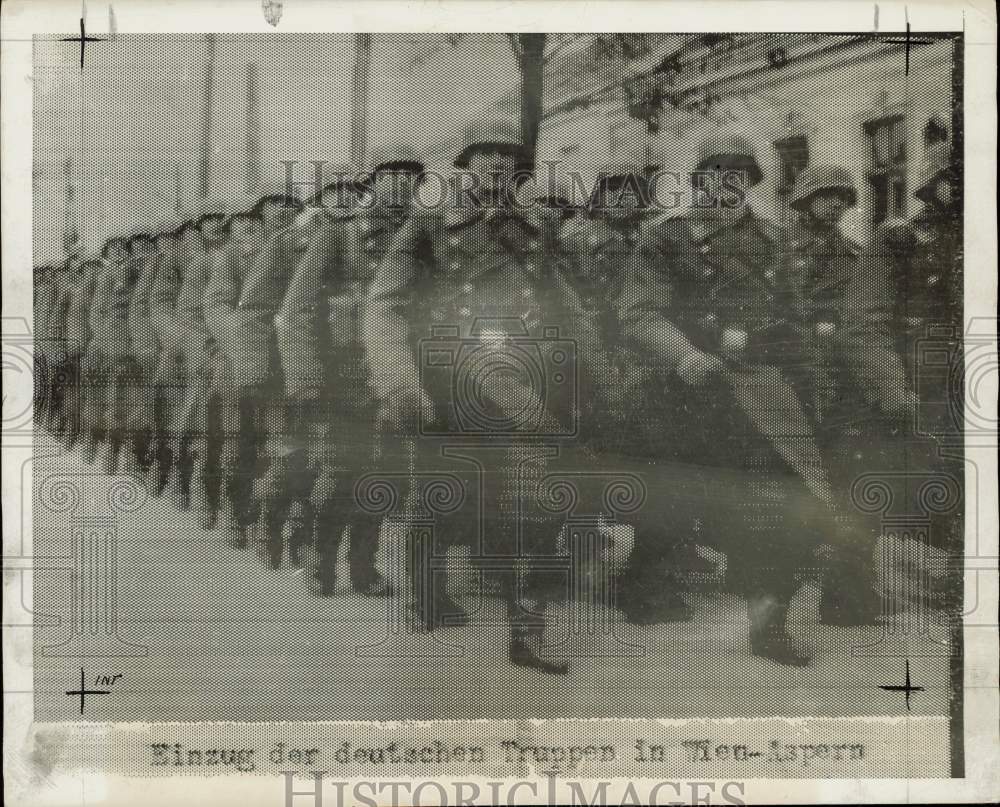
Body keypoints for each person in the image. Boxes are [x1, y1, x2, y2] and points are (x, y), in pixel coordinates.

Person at [618, 131, 877, 666]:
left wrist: (804, 381)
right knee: (673, 498)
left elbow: (792, 315)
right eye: (716, 173)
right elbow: (641, 313)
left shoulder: (772, 240)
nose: (727, 185)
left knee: (783, 500)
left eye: (740, 175)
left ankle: (769, 622)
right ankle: (642, 582)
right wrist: (693, 353)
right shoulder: (663, 238)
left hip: (758, 390)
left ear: (750, 184)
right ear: (698, 180)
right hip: (683, 387)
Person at [364, 116, 584, 674]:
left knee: (535, 502)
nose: (498, 167)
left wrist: (582, 368)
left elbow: (565, 303)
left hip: (518, 382)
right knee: (436, 497)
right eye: (486, 156)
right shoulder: (431, 227)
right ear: (464, 165)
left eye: (508, 158)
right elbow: (384, 305)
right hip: (446, 381)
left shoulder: (532, 229)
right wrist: (399, 380)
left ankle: (525, 630)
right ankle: (420, 600)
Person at [275, 147, 423, 593]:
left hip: (399, 370)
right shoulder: (339, 235)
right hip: (345, 373)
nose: (399, 182)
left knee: (382, 473)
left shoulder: (423, 232)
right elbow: (296, 310)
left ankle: (364, 567)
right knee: (342, 471)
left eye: (409, 175)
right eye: (389, 174)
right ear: (371, 183)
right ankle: (321, 560)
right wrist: (306, 377)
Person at [203, 188, 305, 554]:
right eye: (275, 204)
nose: (284, 210)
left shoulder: (300, 246)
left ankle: (273, 521)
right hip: (239, 360)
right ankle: (236, 511)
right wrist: (245, 347)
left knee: (287, 443)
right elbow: (216, 306)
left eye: (291, 204)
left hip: (288, 357)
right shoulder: (234, 255)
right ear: (260, 212)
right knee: (240, 441)